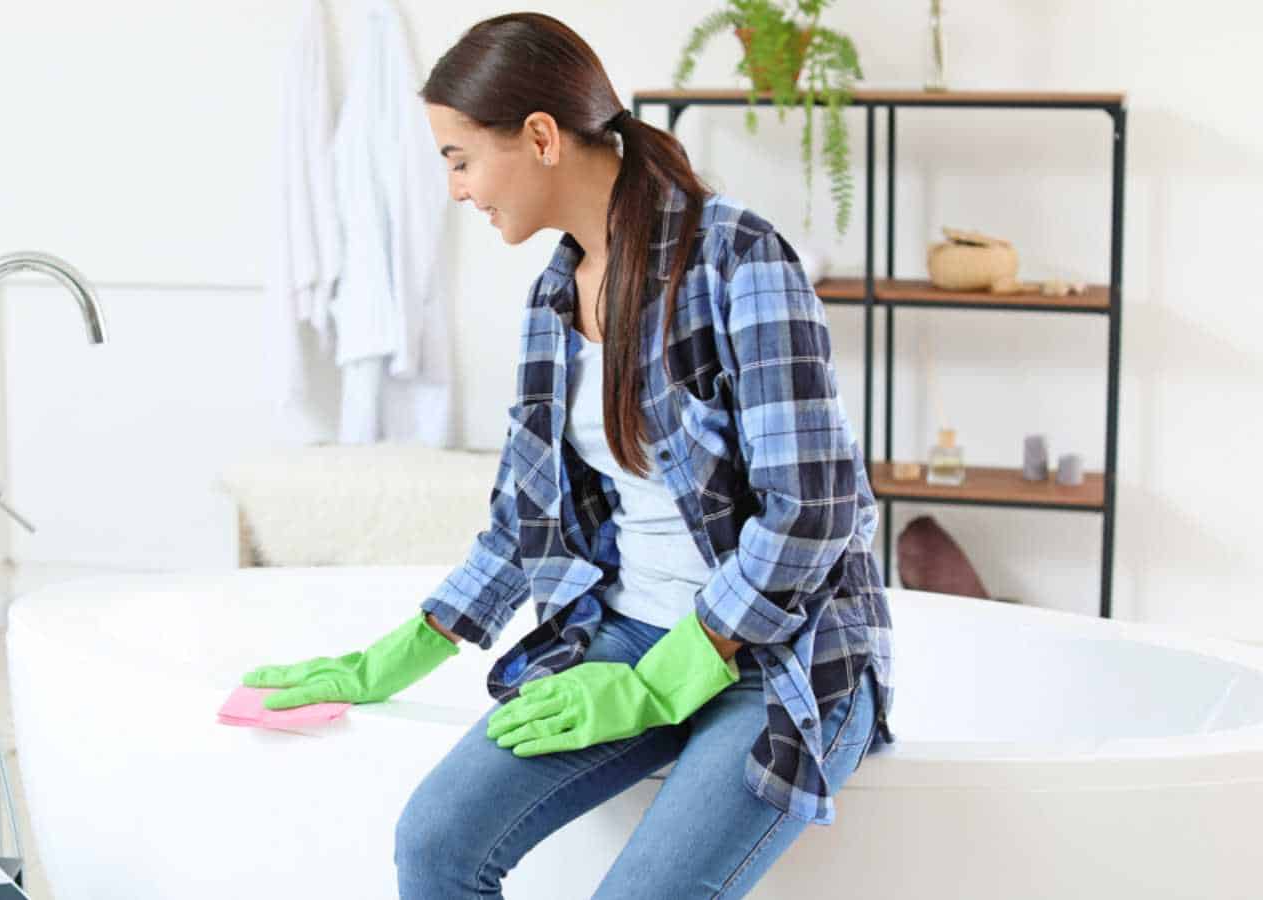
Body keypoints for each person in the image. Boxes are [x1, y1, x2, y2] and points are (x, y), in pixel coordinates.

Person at [241, 11, 895, 899]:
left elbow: (812, 510)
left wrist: (675, 675)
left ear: (541, 137)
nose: (456, 190)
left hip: (776, 657)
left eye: (460, 158)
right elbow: (525, 520)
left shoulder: (738, 259)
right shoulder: (554, 298)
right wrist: (393, 657)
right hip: (626, 638)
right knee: (435, 842)